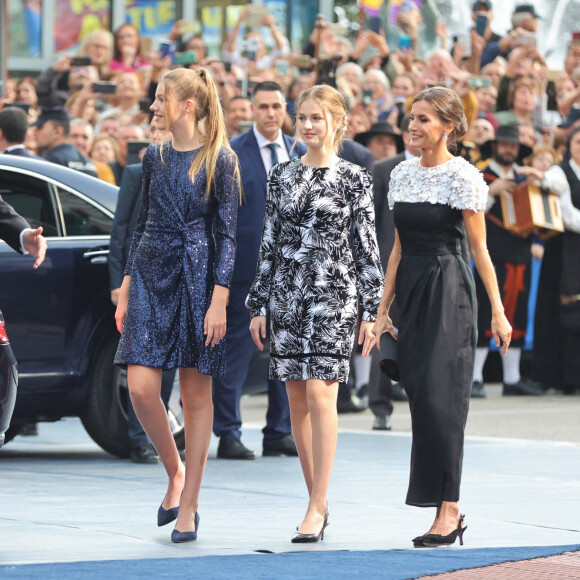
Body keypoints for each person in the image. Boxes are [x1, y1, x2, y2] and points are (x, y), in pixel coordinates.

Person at [372, 87, 511, 547]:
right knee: (421, 398)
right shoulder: (401, 175)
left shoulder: (464, 178)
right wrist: (382, 309)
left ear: (448, 127)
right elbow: (395, 249)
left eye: (425, 119)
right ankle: (442, 506)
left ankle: (448, 510)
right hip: (410, 288)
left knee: (441, 400)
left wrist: (498, 310)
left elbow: (479, 250)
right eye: (412, 118)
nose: (414, 126)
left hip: (449, 289)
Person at [247, 85, 384, 542]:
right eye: (302, 117)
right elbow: (269, 243)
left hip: (333, 295)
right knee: (296, 400)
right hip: (287, 295)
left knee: (321, 393)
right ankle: (317, 502)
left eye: (316, 118)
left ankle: (316, 504)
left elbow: (368, 248)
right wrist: (259, 304)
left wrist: (372, 309)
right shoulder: (282, 176)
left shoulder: (353, 177)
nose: (306, 125)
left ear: (336, 123)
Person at [114, 67, 240, 543]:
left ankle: (188, 506)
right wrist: (127, 283)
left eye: (160, 99)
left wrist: (219, 300)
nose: (153, 107)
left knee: (194, 395)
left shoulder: (220, 159)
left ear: (187, 105)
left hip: (198, 277)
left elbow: (228, 237)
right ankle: (175, 470)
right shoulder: (154, 156)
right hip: (149, 272)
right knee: (142, 387)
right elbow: (142, 220)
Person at [212, 81, 303, 460]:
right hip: (245, 272)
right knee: (235, 354)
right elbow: (224, 220)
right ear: (252, 109)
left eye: (276, 106)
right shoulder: (232, 153)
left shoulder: (299, 152)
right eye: (263, 106)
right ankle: (229, 432)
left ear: (285, 110)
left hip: (290, 272)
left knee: (286, 354)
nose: (270, 113)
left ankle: (279, 431)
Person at [475, 125, 544, 396]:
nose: (509, 150)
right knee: (484, 312)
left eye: (513, 146)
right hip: (490, 254)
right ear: (495, 146)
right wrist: (492, 191)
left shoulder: (523, 177)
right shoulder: (479, 175)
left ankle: (512, 379)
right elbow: (469, 212)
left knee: (518, 312)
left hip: (521, 253)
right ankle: (475, 378)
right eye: (505, 144)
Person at [32, 107, 98, 177]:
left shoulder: (51, 161)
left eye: (40, 127)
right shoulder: (87, 163)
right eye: (75, 136)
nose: (35, 131)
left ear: (57, 132)